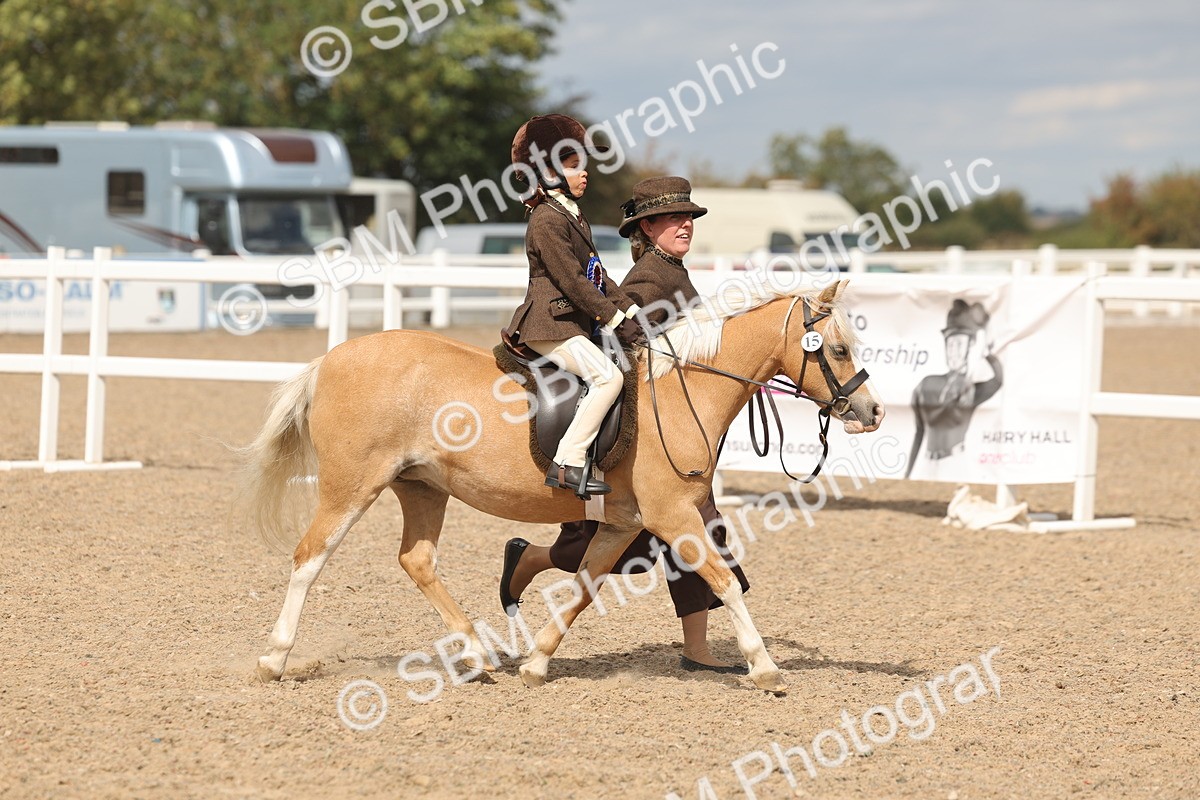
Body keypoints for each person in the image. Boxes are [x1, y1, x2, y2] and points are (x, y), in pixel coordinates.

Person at [500, 177, 751, 675]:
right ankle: (530, 559)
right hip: (645, 441)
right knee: (648, 544)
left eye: (690, 218)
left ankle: (696, 648)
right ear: (646, 227)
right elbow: (620, 345)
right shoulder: (650, 278)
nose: (685, 226)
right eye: (673, 219)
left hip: (666, 441)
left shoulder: (672, 271)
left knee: (678, 540)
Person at [504, 114, 644, 497]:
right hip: (549, 325)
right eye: (573, 165)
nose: (584, 174)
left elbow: (599, 275)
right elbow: (572, 280)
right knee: (608, 377)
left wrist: (632, 312)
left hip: (570, 323)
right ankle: (568, 461)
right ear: (546, 170)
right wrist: (612, 317)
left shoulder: (571, 214)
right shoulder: (547, 219)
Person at [905, 299, 1004, 479]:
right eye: (950, 344)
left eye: (960, 344)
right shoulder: (927, 383)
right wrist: (908, 472)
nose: (954, 351)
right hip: (927, 463)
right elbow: (919, 431)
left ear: (969, 347)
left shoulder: (972, 390)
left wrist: (987, 351)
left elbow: (998, 380)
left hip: (954, 463)